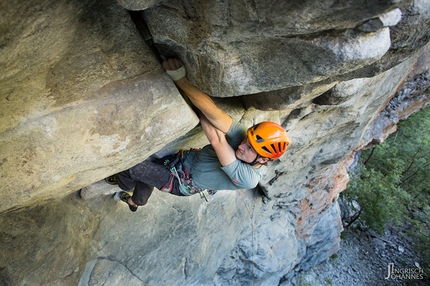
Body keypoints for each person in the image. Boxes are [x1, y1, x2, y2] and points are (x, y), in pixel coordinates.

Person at [106, 58, 290, 212]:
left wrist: (180, 80)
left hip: (180, 182)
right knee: (149, 175)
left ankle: (123, 185)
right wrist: (184, 83)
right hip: (181, 161)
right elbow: (214, 112)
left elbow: (216, 139)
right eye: (246, 141)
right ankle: (135, 202)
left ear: (264, 160)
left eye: (249, 148)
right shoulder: (245, 139)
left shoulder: (248, 179)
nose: (242, 145)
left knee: (134, 168)